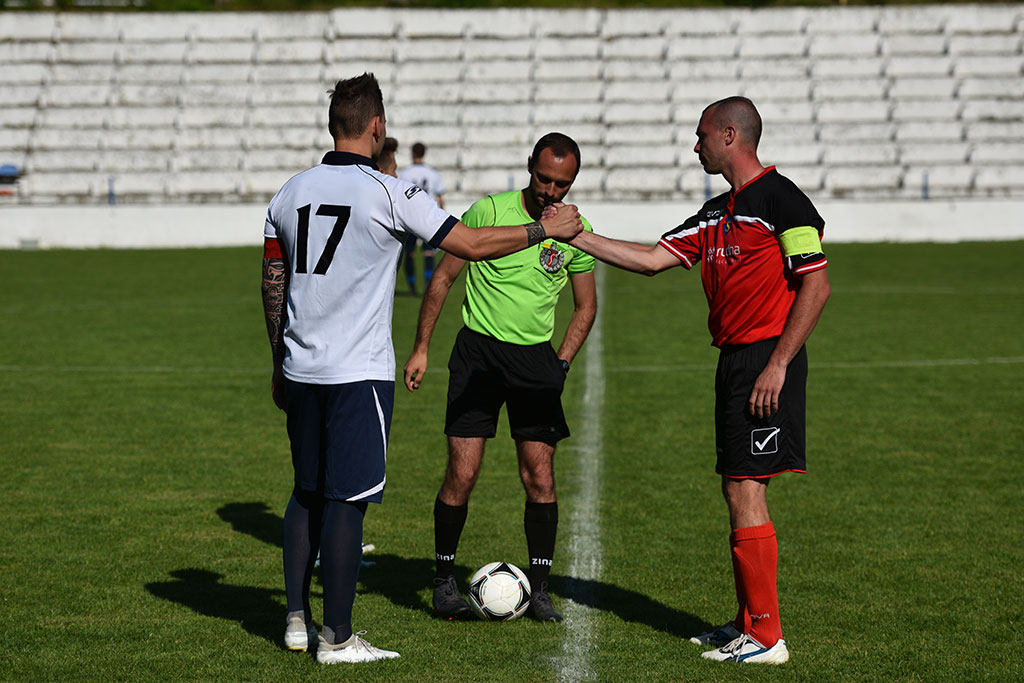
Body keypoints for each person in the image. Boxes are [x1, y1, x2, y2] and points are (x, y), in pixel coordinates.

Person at [261, 73, 582, 665]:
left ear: (332, 125)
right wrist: (545, 229)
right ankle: (338, 637)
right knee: (347, 499)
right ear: (377, 126)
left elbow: (272, 282)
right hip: (356, 372)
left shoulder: (288, 192)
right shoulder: (389, 192)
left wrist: (279, 359)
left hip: (301, 367)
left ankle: (297, 620)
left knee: (305, 491)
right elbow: (471, 246)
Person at [567, 97, 830, 664]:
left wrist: (779, 364)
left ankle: (766, 637)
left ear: (730, 135)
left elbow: (816, 285)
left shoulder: (782, 200)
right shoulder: (714, 212)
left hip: (766, 360)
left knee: (746, 488)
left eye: (702, 135)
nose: (696, 146)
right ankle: (746, 622)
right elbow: (649, 260)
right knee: (736, 486)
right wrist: (576, 236)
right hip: (734, 361)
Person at [402, 133, 598, 623]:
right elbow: (443, 278)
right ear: (529, 165)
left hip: (536, 362)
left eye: (562, 184)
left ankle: (542, 590)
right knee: (462, 473)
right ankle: (443, 580)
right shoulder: (488, 212)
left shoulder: (576, 229)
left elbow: (586, 306)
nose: (550, 191)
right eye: (544, 178)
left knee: (539, 476)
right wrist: (422, 347)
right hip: (477, 356)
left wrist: (562, 362)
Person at [398, 142, 446, 295]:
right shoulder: (432, 173)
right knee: (428, 253)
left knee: (410, 253)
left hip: (411, 216)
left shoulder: (405, 174)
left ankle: (412, 287)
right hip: (428, 217)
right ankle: (427, 286)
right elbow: (440, 197)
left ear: (412, 153)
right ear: (424, 153)